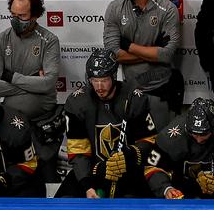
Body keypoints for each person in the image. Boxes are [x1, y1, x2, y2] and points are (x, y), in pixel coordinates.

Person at [57, 49, 158, 199]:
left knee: (134, 206)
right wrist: (87, 185)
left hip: (129, 169)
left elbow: (150, 141)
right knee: (63, 202)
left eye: (104, 80)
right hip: (93, 169)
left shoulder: (134, 98)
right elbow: (78, 151)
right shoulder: (77, 102)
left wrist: (128, 156)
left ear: (113, 76)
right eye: (94, 80)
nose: (99, 86)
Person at [0, 0, 63, 182]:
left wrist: (11, 76)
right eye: (12, 15)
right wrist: (32, 80)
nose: (15, 20)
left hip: (42, 114)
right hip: (10, 117)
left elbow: (48, 83)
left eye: (22, 16)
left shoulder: (49, 40)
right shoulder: (0, 40)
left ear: (35, 15)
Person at [103, 0, 182, 127]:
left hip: (161, 89)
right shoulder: (114, 8)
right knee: (133, 146)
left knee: (162, 143)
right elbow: (114, 54)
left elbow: (167, 55)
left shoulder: (168, 9)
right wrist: (153, 50)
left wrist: (129, 46)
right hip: (129, 90)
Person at [143, 97, 214, 199]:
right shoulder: (168, 138)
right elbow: (152, 168)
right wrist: (166, 189)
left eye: (204, 134)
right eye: (194, 134)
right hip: (182, 188)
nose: (199, 140)